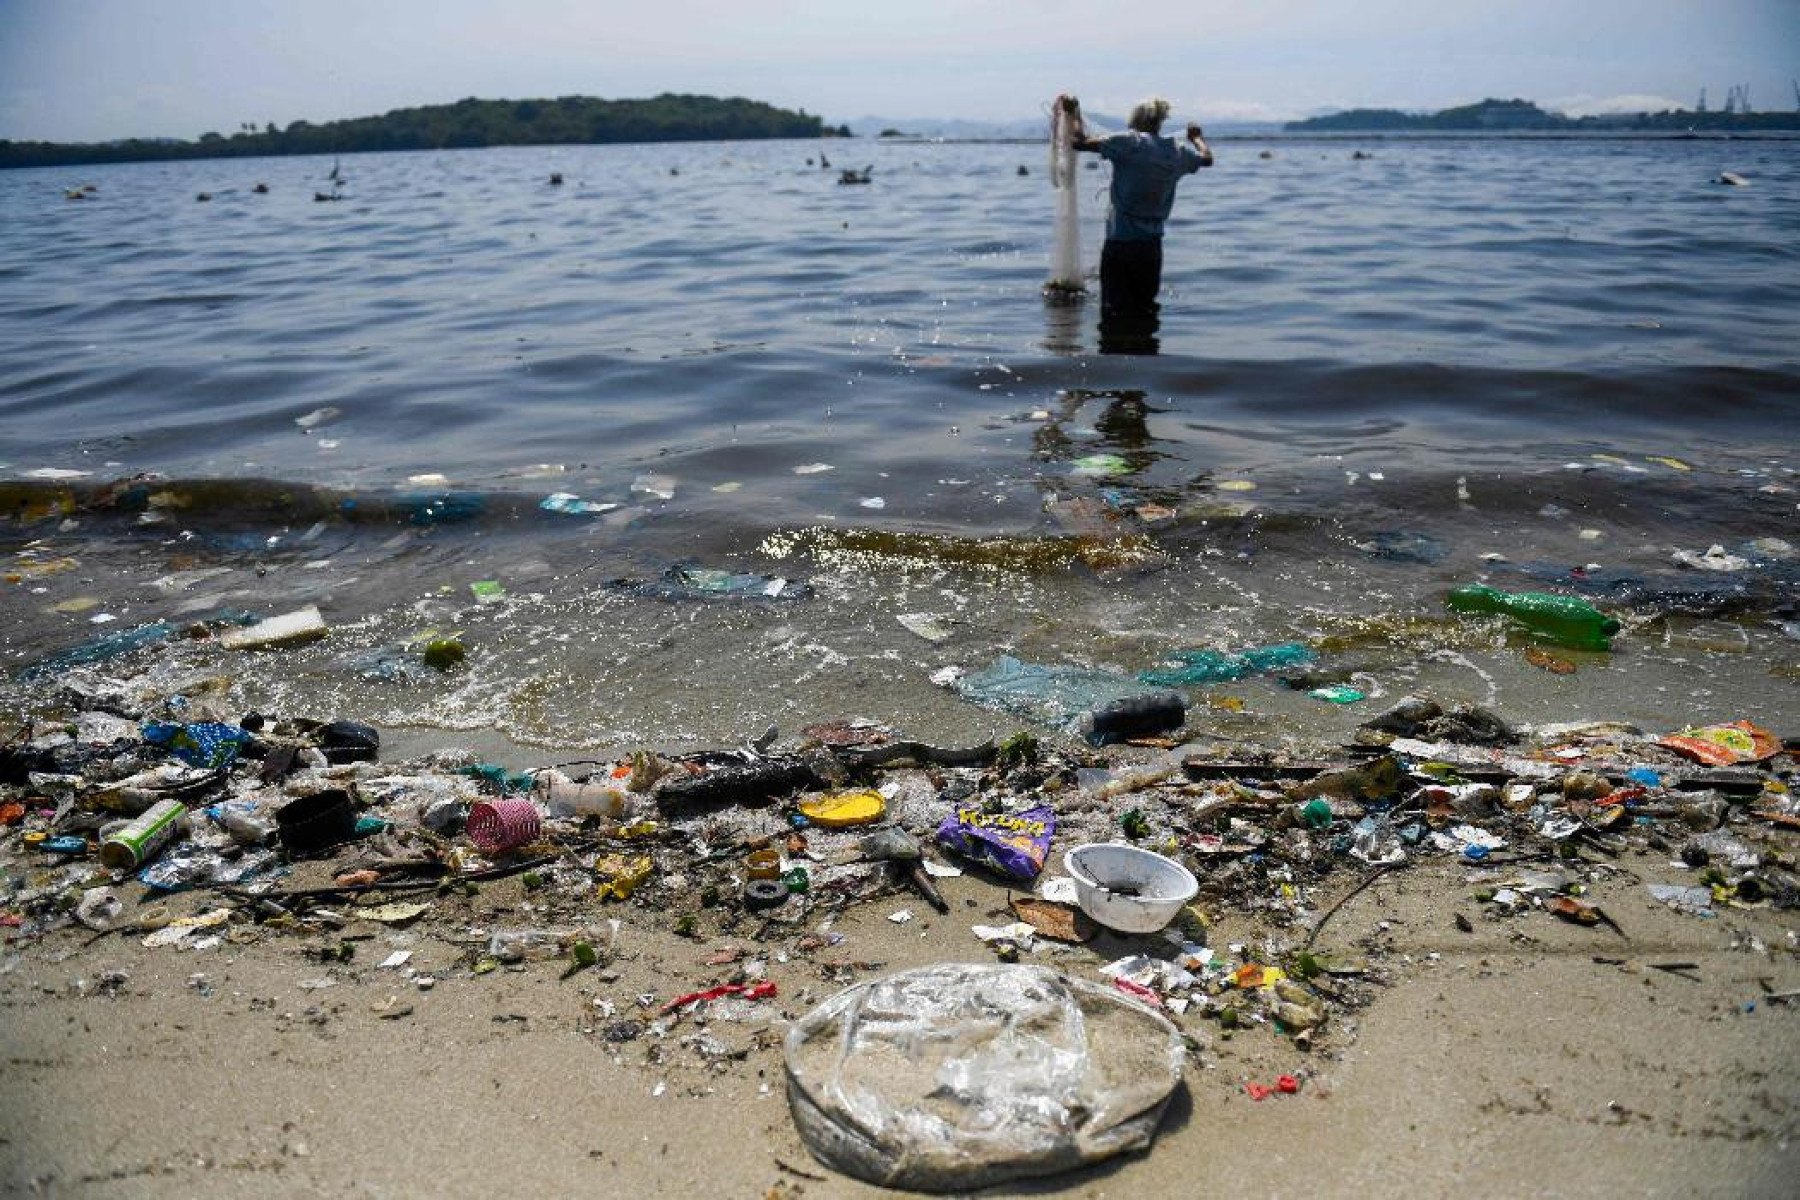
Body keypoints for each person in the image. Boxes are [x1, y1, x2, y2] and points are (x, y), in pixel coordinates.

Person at [1069, 97, 1212, 321]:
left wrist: (1074, 115)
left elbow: (1078, 143)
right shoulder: (1176, 151)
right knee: (1145, 309)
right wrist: (1197, 138)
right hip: (1151, 248)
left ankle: (1116, 351)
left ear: (1135, 120)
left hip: (1120, 246)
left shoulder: (1129, 143)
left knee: (1113, 312)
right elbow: (1206, 159)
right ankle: (1145, 349)